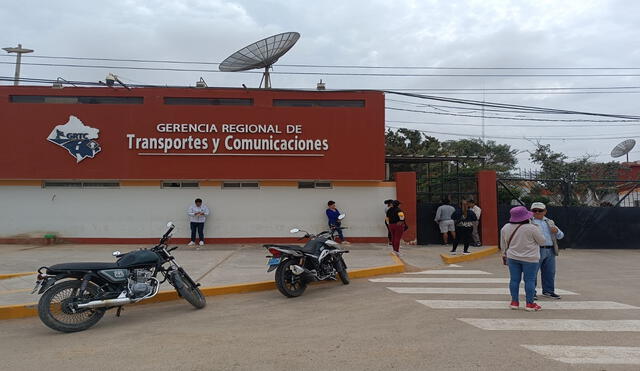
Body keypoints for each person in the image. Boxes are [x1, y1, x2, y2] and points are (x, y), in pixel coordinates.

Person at [500, 206, 547, 311]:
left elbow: (503, 244)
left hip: (512, 257)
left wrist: (504, 254)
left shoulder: (505, 227)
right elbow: (542, 242)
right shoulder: (532, 228)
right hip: (530, 258)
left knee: (514, 280)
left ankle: (514, 302)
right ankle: (530, 304)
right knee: (529, 280)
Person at [530, 202, 565, 299]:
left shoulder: (549, 222)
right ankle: (531, 292)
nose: (537, 212)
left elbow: (561, 235)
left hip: (550, 250)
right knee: (532, 272)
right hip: (535, 249)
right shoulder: (528, 222)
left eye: (540, 210)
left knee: (550, 272)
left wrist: (557, 231)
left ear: (545, 211)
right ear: (531, 211)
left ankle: (548, 291)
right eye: (534, 210)